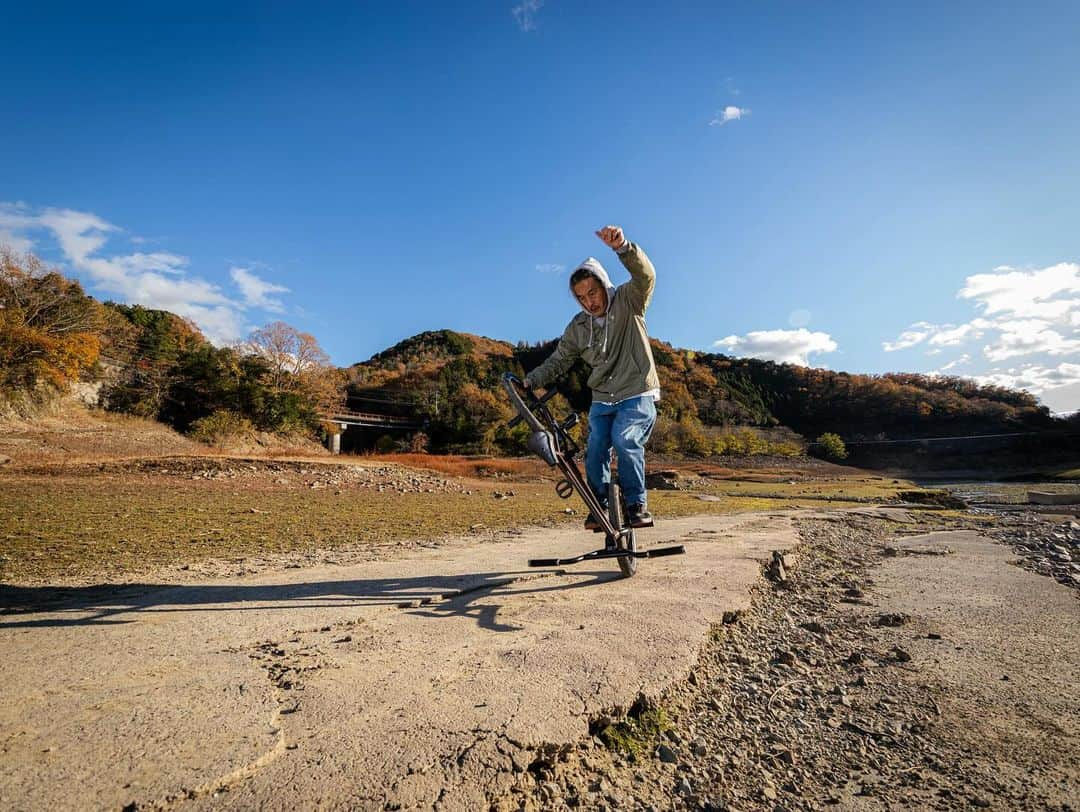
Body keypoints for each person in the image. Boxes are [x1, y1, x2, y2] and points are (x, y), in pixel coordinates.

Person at [524, 225, 660, 530]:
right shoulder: (578, 328)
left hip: (637, 391)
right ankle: (599, 505)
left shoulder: (629, 301)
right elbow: (560, 360)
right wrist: (531, 380)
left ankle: (636, 504)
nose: (589, 302)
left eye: (593, 292)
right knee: (596, 446)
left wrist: (623, 248)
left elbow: (646, 277)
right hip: (603, 398)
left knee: (625, 440)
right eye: (581, 297)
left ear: (603, 284)